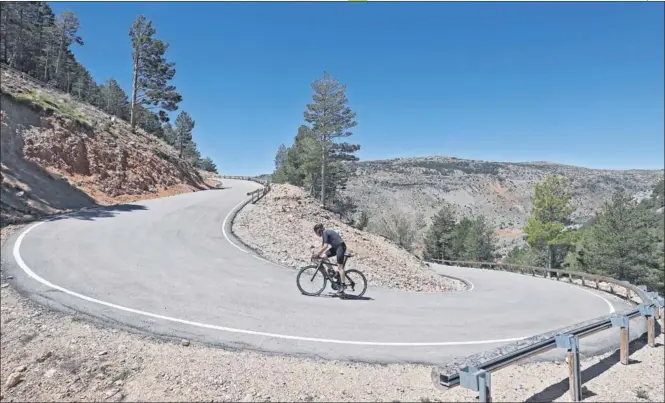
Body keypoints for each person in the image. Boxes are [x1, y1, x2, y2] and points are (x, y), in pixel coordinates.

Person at [313, 223, 347, 295]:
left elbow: (325, 246)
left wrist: (317, 254)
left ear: (319, 231)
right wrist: (319, 255)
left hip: (340, 247)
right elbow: (323, 247)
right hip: (335, 248)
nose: (316, 234)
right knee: (323, 256)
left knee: (340, 267)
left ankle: (343, 285)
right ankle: (333, 272)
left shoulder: (325, 232)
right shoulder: (324, 234)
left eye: (315, 232)